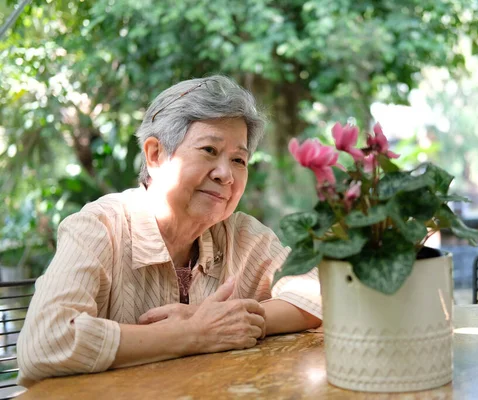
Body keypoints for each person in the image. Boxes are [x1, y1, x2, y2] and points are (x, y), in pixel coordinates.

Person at [16, 76, 322, 387]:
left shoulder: (241, 233)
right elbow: (45, 341)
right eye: (209, 150)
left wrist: (233, 321)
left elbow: (323, 295)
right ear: (155, 155)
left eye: (239, 160)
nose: (225, 174)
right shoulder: (99, 228)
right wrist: (190, 334)